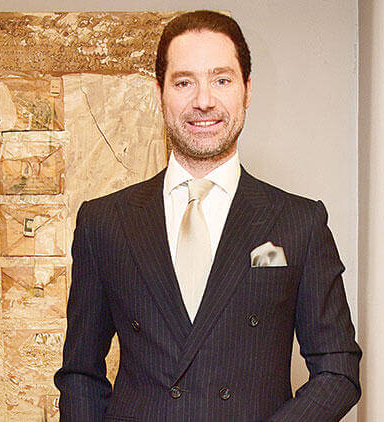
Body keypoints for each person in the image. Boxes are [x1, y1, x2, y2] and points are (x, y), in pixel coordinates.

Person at [55, 10, 361, 421]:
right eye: (184, 82)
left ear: (247, 90)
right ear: (160, 92)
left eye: (221, 80)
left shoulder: (299, 222)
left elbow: (338, 370)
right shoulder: (104, 222)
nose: (203, 101)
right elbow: (80, 374)